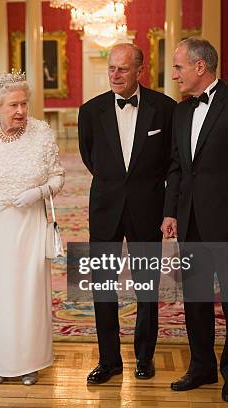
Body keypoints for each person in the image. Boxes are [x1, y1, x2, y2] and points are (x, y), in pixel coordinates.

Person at [162, 37, 228, 402]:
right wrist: (171, 211)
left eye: (178, 67)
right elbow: (177, 168)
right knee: (196, 299)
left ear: (199, 67)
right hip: (190, 220)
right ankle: (201, 366)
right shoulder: (181, 111)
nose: (174, 74)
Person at [78, 43, 176, 384]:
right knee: (102, 285)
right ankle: (109, 361)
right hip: (105, 207)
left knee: (146, 286)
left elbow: (171, 162)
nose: (115, 75)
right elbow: (90, 158)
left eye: (122, 69)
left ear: (139, 71)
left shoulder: (165, 109)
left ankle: (145, 357)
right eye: (111, 69)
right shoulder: (90, 112)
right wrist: (114, 185)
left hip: (147, 207)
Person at [0, 71, 65, 386]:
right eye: (13, 105)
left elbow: (58, 177)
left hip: (29, 225)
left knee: (29, 295)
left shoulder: (42, 132)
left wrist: (40, 192)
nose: (20, 111)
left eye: (24, 104)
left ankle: (29, 362)